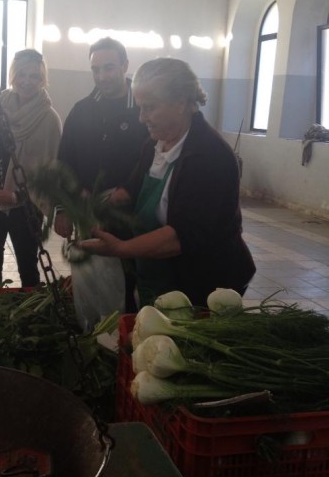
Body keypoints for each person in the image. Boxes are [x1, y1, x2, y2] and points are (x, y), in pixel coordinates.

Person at [80, 57, 256, 308]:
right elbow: (132, 189)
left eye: (150, 107)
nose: (142, 118)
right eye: (140, 107)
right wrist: (98, 207)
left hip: (204, 282)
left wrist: (121, 248)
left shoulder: (208, 157)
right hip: (160, 272)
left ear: (181, 103)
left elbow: (181, 237)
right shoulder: (155, 143)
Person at [54, 37, 149, 312]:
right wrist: (62, 208)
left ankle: (125, 336)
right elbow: (64, 162)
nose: (102, 76)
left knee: (132, 280)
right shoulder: (82, 110)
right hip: (89, 215)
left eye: (109, 68)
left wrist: (127, 191)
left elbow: (153, 159)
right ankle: (95, 333)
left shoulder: (142, 109)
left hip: (135, 214)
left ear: (125, 65)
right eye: (96, 69)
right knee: (93, 279)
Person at [0, 48, 62, 288]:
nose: (27, 82)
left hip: (25, 205)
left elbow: (49, 172)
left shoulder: (49, 118)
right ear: (13, 76)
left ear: (42, 79)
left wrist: (15, 195)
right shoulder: (1, 104)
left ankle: (29, 321)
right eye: (22, 75)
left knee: (28, 267)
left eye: (34, 76)